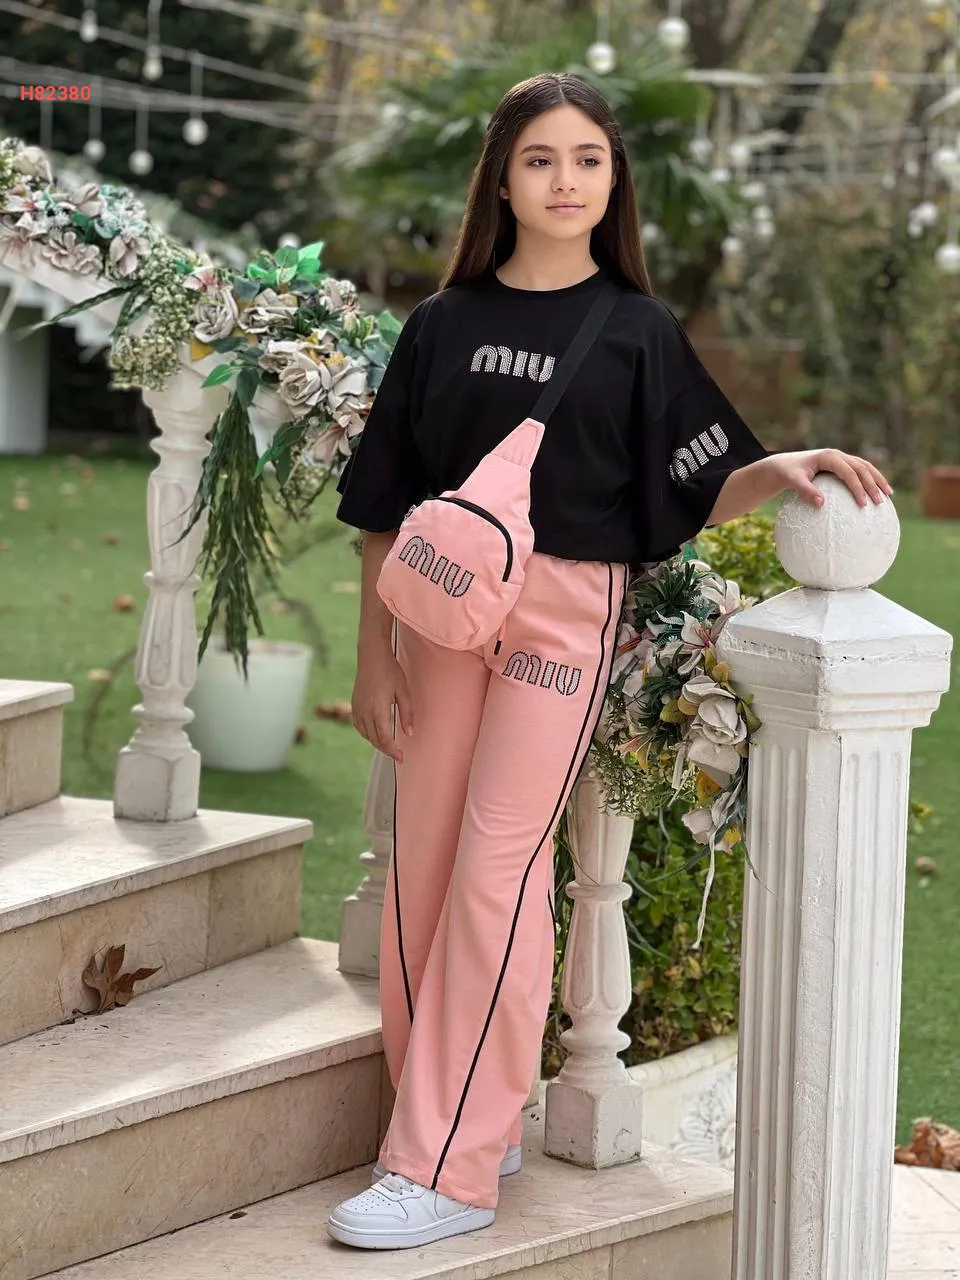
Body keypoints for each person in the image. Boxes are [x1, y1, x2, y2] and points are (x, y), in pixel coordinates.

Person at [326, 72, 892, 1252]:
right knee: (423, 866)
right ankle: (465, 1111)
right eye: (541, 158)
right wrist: (375, 655)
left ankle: (445, 1165)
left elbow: (694, 481)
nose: (566, 180)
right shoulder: (440, 324)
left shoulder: (637, 329)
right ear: (502, 178)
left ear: (612, 180)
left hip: (562, 615)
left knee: (499, 868)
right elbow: (385, 505)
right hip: (440, 614)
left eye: (588, 159)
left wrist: (785, 465)